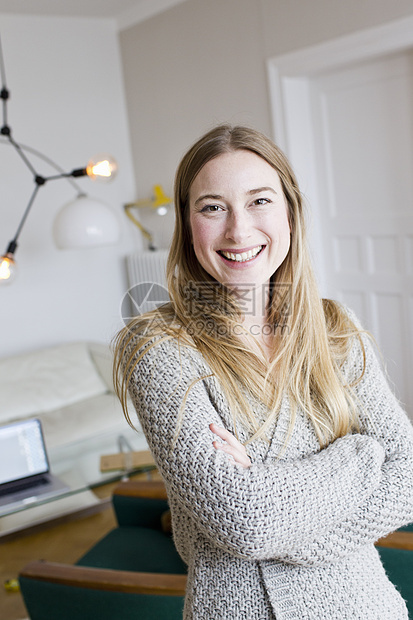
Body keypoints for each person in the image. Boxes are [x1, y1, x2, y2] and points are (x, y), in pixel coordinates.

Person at [113, 124, 413, 619]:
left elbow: (405, 478)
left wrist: (271, 499)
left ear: (290, 214)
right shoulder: (158, 346)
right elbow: (244, 522)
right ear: (188, 225)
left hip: (365, 604)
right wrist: (361, 455)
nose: (238, 230)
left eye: (259, 201)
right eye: (213, 207)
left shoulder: (335, 326)